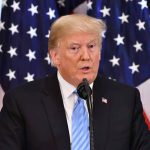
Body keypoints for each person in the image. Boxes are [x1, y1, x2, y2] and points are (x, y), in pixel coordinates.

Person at [0, 14, 150, 150]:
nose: (86, 56)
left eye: (91, 46)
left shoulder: (126, 99)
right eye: (74, 48)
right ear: (55, 56)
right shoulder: (21, 102)